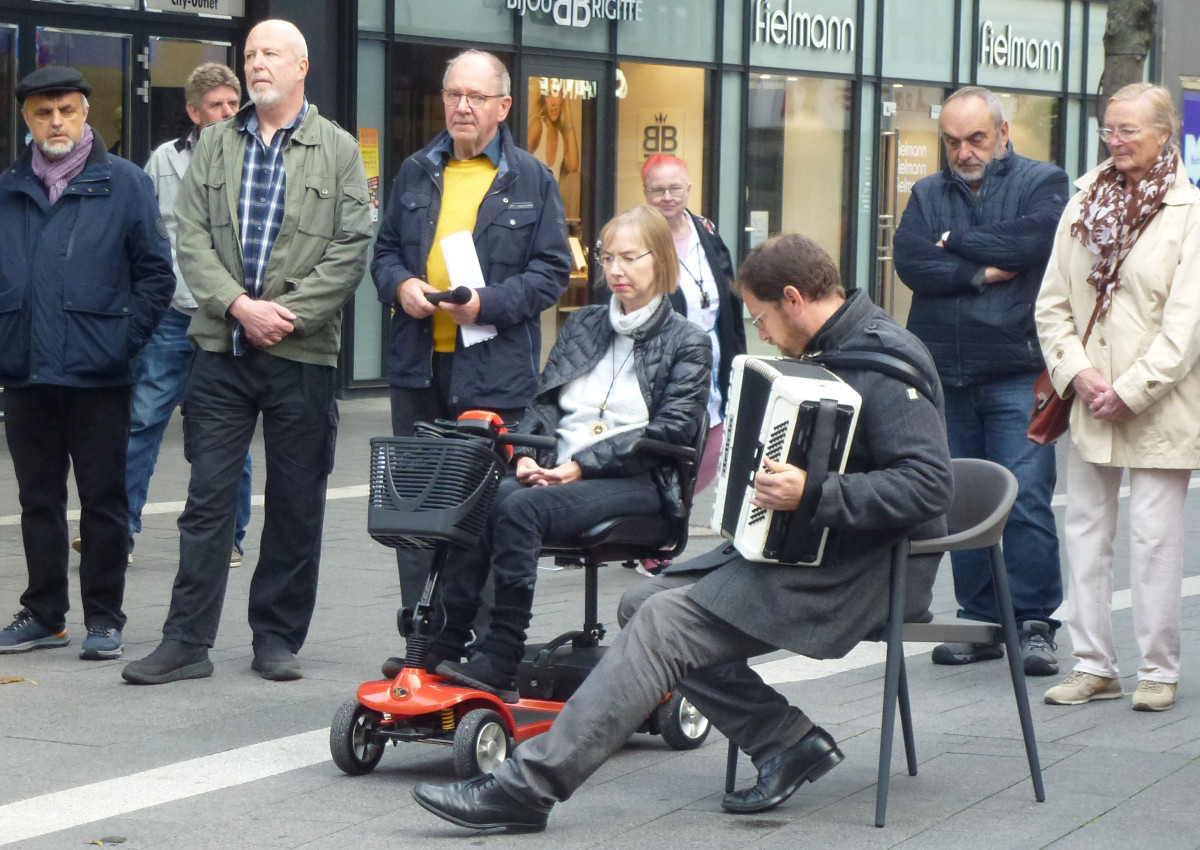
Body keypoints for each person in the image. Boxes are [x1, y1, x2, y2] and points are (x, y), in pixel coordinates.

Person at [410, 233, 954, 833]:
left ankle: (527, 787)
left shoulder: (885, 359)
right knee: (644, 599)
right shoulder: (834, 347)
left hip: (871, 571)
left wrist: (813, 492)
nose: (764, 334)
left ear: (794, 299)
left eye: (762, 317)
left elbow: (930, 488)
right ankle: (785, 740)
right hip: (818, 553)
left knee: (666, 623)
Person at [120, 19, 372, 684]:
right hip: (220, 348)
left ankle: (277, 637)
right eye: (250, 54)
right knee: (206, 501)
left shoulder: (338, 149)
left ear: (301, 67)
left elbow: (351, 248)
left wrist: (286, 316)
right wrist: (238, 305)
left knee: (296, 500)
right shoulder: (215, 147)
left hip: (302, 352)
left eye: (270, 54)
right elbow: (190, 235)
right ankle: (186, 641)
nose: (256, 64)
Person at [430, 204, 712, 701]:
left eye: (630, 258)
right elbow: (544, 403)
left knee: (519, 506)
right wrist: (525, 455)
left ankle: (501, 656)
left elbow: (672, 429)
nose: (616, 270)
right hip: (563, 466)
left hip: (638, 481)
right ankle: (446, 642)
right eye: (608, 258)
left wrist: (580, 466)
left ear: (661, 260)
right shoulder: (583, 323)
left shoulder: (687, 341)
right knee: (479, 496)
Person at [371, 49, 571, 679]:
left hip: (494, 374)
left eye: (475, 97)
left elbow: (552, 273)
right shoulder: (414, 170)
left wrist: (489, 303)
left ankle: (482, 652)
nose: (460, 106)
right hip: (417, 367)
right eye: (452, 94)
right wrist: (400, 284)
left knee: (484, 514)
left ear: (503, 107)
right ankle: (422, 646)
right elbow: (382, 255)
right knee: (415, 513)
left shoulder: (532, 178)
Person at [893, 85, 1070, 676]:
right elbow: (913, 263)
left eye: (976, 138)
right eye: (951, 140)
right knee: (955, 501)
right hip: (944, 372)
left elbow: (1033, 242)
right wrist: (982, 272)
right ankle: (979, 619)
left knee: (1024, 499)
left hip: (1017, 369)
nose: (964, 151)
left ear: (1002, 132)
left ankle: (1035, 622)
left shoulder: (1043, 183)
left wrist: (956, 243)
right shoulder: (926, 192)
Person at [0, 66, 174, 659]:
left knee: (104, 502)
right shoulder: (8, 187)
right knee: (37, 501)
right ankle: (44, 614)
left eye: (67, 110)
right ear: (26, 119)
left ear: (86, 115)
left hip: (99, 374)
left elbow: (157, 275)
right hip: (25, 373)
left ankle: (105, 618)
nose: (56, 122)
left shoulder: (124, 182)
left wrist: (124, 341)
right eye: (44, 112)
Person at [1037, 83, 1200, 713]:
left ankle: (1158, 670)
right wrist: (1077, 375)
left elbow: (1186, 327)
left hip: (1160, 403)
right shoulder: (1084, 200)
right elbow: (1052, 304)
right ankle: (1092, 664)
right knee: (1084, 532)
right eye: (1109, 129)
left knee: (1157, 539)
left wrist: (1130, 391)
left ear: (1164, 135)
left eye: (1129, 130)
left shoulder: (1189, 211)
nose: (1116, 141)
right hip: (1090, 394)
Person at [124, 63, 254, 568]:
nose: (226, 112)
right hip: (172, 317)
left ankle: (230, 536)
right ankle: (119, 530)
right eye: (216, 105)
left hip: (226, 318)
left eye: (231, 103)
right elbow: (150, 235)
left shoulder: (252, 158)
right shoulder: (164, 160)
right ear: (193, 111)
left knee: (227, 431)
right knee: (141, 422)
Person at [640, 155, 745, 490]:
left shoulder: (708, 232)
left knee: (708, 457)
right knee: (670, 458)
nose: (667, 197)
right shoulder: (637, 238)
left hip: (714, 367)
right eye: (658, 190)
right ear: (645, 192)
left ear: (688, 189)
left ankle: (676, 517)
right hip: (667, 371)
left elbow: (730, 301)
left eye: (675, 188)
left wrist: (738, 362)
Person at [527, 81, 579, 217]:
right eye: (548, 95)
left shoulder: (562, 139)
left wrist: (568, 110)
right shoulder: (537, 125)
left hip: (551, 210)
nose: (553, 103)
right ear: (543, 100)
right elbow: (519, 163)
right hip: (532, 207)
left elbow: (573, 166)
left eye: (557, 94)